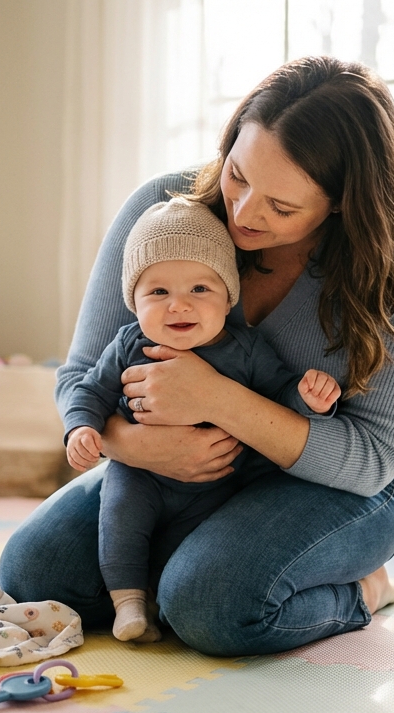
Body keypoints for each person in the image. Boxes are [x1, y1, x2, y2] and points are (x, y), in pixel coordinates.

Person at [0, 55, 394, 657]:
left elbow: (372, 459)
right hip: (165, 472)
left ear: (344, 201)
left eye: (281, 207)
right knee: (34, 576)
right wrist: (134, 445)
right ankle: (195, 563)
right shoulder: (165, 211)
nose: (242, 213)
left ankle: (363, 591)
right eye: (238, 175)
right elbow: (84, 373)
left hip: (334, 487)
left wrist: (215, 398)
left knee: (208, 607)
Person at [64, 197, 341, 643]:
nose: (179, 306)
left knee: (193, 557)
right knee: (118, 520)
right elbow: (89, 389)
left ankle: (163, 599)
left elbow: (278, 392)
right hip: (139, 475)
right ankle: (129, 603)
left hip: (219, 484)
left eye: (199, 290)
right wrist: (83, 428)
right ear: (132, 301)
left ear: (228, 295)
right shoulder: (127, 343)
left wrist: (308, 398)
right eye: (158, 293)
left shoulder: (245, 349)